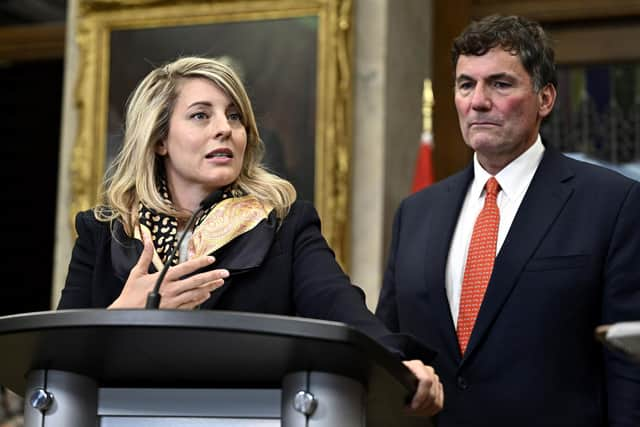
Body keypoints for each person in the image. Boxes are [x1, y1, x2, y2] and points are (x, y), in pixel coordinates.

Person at [57, 56, 443, 415]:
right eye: (200, 116)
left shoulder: (285, 225)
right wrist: (121, 317)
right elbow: (55, 363)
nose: (224, 129)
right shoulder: (103, 232)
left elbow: (340, 308)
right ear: (159, 140)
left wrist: (398, 362)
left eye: (235, 116)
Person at [376, 15, 640, 426]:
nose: (478, 101)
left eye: (500, 84)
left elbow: (628, 365)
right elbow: (390, 347)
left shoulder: (612, 202)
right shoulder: (416, 213)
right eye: (466, 85)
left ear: (545, 99)